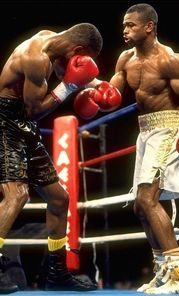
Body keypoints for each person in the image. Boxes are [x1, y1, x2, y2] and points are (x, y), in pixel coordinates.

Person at [75, 3, 179, 294]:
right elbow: (112, 93)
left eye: (131, 25)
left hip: (170, 126)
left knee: (148, 200)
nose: (124, 30)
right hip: (145, 131)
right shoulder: (125, 59)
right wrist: (92, 92)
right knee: (139, 205)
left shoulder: (170, 60)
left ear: (149, 27)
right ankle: (163, 270)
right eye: (123, 25)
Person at [0, 22, 107, 294]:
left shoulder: (56, 43)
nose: (82, 63)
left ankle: (56, 272)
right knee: (17, 195)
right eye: (83, 59)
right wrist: (70, 86)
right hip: (5, 122)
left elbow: (66, 71)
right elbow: (35, 109)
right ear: (78, 49)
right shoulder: (35, 57)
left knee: (59, 199)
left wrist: (97, 85)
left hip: (25, 126)